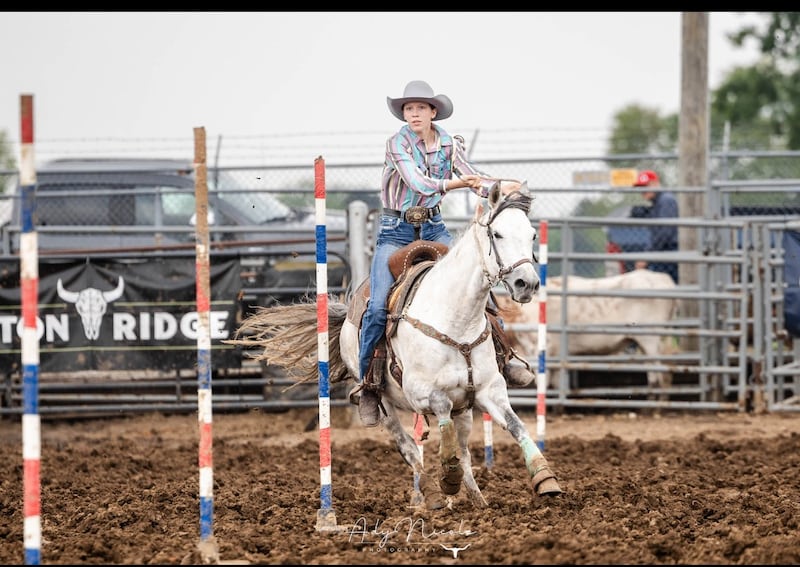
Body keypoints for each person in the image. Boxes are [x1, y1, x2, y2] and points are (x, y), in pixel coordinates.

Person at [353, 79, 534, 427]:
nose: (414, 114)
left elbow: (472, 177)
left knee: (477, 288)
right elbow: (418, 182)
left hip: (434, 226)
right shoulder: (397, 144)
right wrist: (458, 184)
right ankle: (369, 384)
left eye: (420, 108)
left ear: (433, 112)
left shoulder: (449, 144)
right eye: (409, 109)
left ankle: (502, 359)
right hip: (395, 229)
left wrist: (499, 185)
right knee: (377, 307)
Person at [632, 170, 679, 284]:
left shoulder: (666, 200)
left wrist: (648, 255)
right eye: (640, 188)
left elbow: (664, 232)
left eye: (645, 186)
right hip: (664, 252)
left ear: (655, 183)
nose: (642, 191)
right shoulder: (659, 202)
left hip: (670, 252)